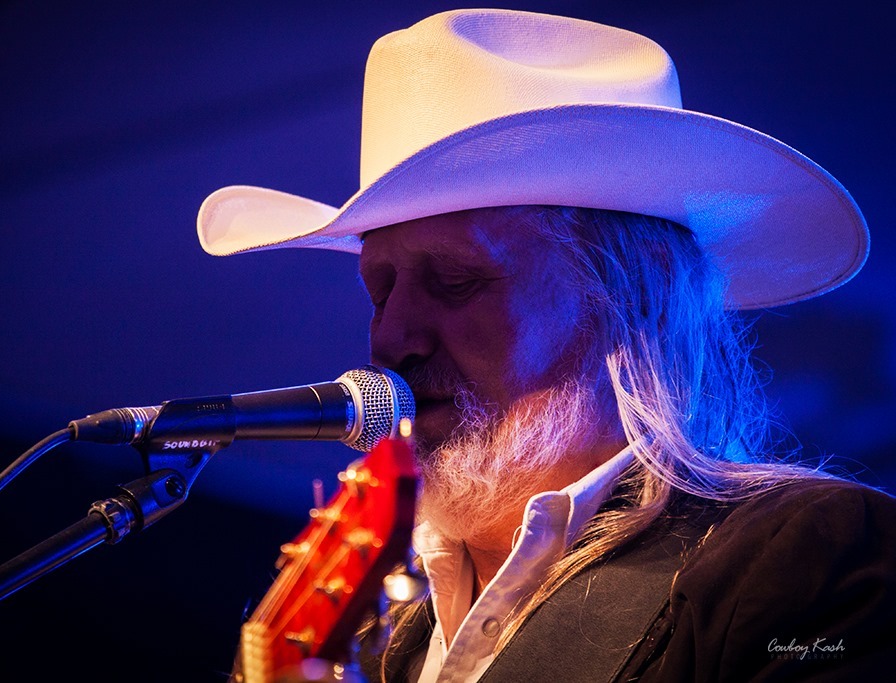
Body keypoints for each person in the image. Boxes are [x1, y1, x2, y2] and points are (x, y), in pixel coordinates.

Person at [197, 9, 896, 682]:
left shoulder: (812, 557)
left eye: (455, 279)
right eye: (380, 290)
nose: (392, 336)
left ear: (635, 293)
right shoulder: (382, 646)